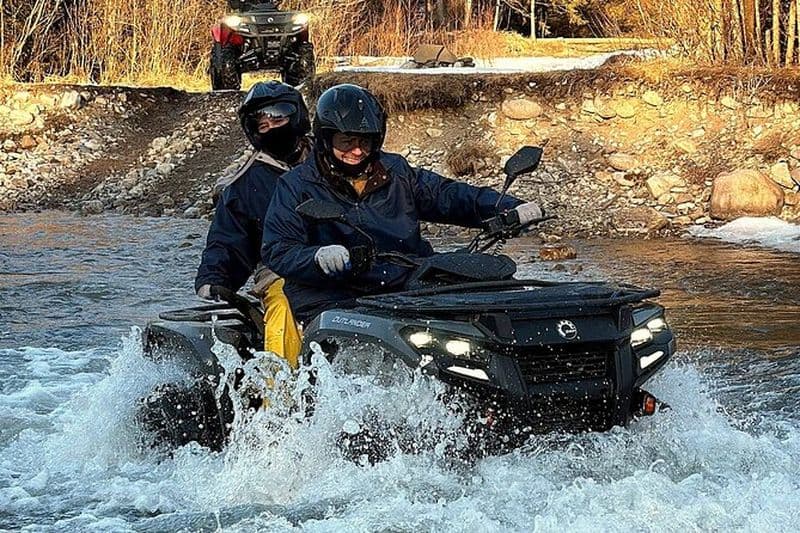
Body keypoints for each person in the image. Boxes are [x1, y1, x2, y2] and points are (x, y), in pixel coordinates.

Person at [261, 83, 543, 324]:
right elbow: (278, 249)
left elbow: (449, 195)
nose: (357, 151)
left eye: (365, 142)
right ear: (325, 138)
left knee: (488, 301)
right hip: (334, 293)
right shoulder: (296, 185)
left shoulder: (396, 171)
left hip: (403, 282)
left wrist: (508, 208)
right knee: (344, 341)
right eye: (346, 141)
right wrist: (317, 258)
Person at [195, 80, 310, 366]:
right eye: (263, 124)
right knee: (284, 305)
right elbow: (227, 239)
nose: (271, 126)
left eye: (278, 117)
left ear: (297, 117)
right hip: (282, 270)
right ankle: (280, 397)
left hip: (347, 260)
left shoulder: (333, 157)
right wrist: (214, 279)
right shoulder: (243, 186)